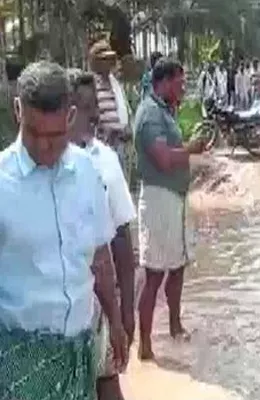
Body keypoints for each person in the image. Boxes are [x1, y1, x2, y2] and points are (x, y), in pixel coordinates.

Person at [0, 61, 126, 399]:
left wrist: (114, 321)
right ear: (18, 111)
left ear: (70, 117)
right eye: (33, 133)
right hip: (18, 365)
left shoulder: (87, 172)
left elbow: (101, 257)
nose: (43, 147)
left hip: (80, 354)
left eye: (54, 136)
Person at [67, 69, 138, 400]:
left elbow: (121, 240)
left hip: (98, 310)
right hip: (52, 325)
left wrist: (125, 311)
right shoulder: (28, 170)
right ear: (64, 110)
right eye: (84, 105)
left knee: (108, 386)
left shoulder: (105, 160)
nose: (94, 114)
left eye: (95, 103)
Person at [134, 58, 210, 360]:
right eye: (179, 83)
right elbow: (164, 160)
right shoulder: (151, 113)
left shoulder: (164, 110)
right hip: (158, 200)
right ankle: (145, 345)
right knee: (154, 273)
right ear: (163, 82)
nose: (182, 88)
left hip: (174, 198)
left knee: (177, 266)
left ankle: (175, 327)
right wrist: (191, 149)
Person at [89, 40, 134, 185]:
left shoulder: (115, 84)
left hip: (120, 145)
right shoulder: (92, 86)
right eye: (103, 60)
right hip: (102, 146)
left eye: (109, 60)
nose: (107, 63)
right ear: (95, 62)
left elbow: (125, 111)